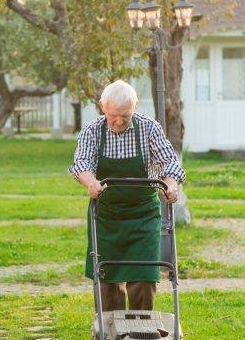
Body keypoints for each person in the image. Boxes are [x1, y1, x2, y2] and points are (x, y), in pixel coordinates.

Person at [69, 79, 186, 312]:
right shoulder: (92, 131)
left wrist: (170, 186)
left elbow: (169, 162)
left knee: (144, 276)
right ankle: (111, 339)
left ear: (135, 107)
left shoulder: (149, 128)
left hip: (143, 215)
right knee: (107, 279)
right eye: (114, 115)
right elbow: (81, 163)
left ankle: (143, 331)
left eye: (126, 115)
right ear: (103, 106)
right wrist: (90, 182)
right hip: (106, 217)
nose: (120, 121)